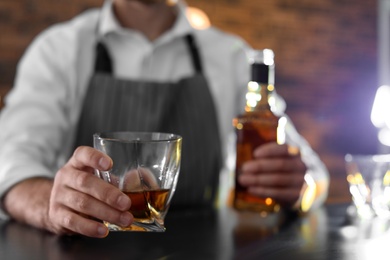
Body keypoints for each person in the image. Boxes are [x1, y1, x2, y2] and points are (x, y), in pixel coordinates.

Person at [0, 0, 329, 238]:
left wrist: (301, 189)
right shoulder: (59, 49)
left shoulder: (231, 57)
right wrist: (51, 204)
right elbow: (11, 163)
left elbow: (313, 173)